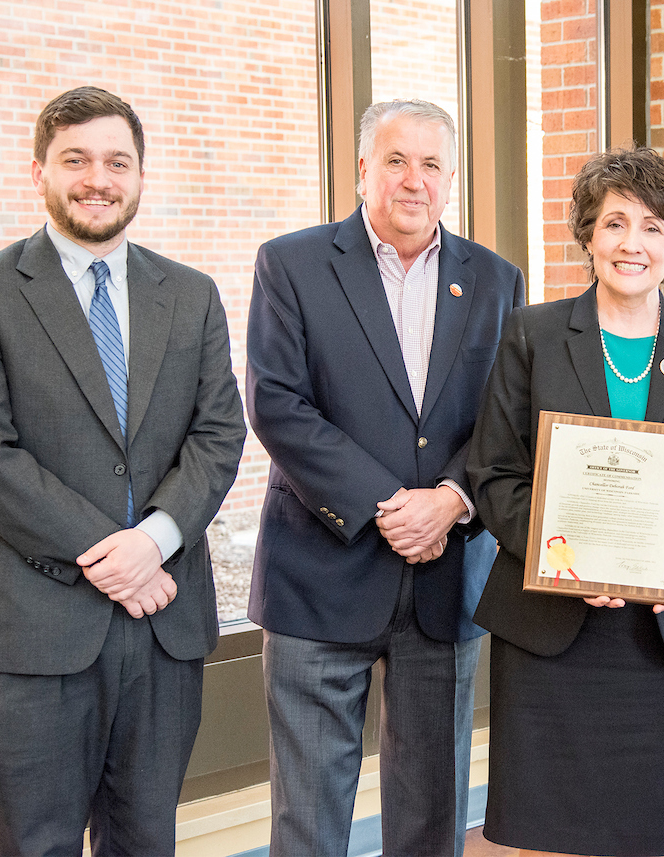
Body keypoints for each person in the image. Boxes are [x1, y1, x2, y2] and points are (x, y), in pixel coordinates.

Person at [0, 86, 247, 857]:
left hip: (164, 623)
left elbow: (218, 432)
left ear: (140, 176)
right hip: (37, 625)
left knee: (146, 840)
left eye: (117, 161)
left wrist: (158, 539)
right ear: (37, 169)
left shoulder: (192, 293)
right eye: (76, 159)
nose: (97, 178)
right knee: (36, 844)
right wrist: (121, 554)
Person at [245, 98, 525, 857]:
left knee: (433, 813)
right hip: (319, 576)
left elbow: (506, 416)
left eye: (431, 164)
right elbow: (276, 404)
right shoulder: (291, 263)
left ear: (452, 178)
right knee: (308, 817)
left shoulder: (496, 280)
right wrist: (391, 506)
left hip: (444, 580)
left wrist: (452, 500)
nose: (413, 180)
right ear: (362, 167)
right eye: (396, 160)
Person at [467, 146, 664, 857]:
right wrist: (565, 550)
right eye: (616, 223)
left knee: (661, 833)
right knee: (549, 833)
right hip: (551, 632)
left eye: (655, 227)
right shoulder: (532, 335)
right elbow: (494, 474)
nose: (634, 243)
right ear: (589, 237)